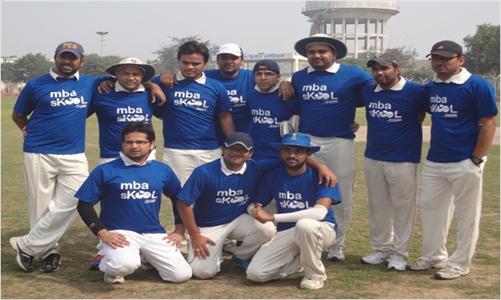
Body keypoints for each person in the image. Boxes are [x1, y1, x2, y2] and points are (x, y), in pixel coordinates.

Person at [174, 132, 336, 279]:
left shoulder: (255, 166)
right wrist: (195, 235)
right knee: (202, 272)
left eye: (242, 150)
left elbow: (294, 159)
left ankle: (241, 256)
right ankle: (213, 257)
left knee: (266, 228)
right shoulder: (205, 172)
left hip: (239, 220)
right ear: (223, 149)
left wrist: (321, 166)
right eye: (232, 148)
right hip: (208, 225)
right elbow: (183, 203)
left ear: (250, 154)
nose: (236, 153)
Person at [408, 40, 498, 279]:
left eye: (445, 58)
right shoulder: (431, 87)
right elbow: (420, 109)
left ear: (460, 59)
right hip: (435, 160)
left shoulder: (477, 85)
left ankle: (460, 263)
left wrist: (477, 158)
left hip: (465, 160)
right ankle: (433, 256)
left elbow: (488, 122)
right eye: (435, 58)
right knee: (430, 210)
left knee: (467, 215)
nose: (439, 63)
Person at [9, 41, 101, 273]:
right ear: (55, 58)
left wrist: (155, 85)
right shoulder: (36, 84)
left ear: (82, 61)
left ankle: (27, 246)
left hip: (74, 154)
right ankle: (50, 252)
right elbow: (18, 114)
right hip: (39, 151)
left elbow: (126, 78)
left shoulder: (90, 84)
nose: (67, 62)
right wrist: (27, 130)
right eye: (63, 57)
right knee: (41, 206)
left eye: (72, 58)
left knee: (77, 199)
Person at [75, 122, 192, 284]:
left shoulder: (162, 170)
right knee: (124, 265)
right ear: (122, 144)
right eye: (129, 142)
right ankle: (105, 261)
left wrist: (179, 229)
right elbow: (84, 204)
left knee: (181, 275)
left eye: (140, 142)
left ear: (152, 144)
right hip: (119, 233)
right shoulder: (105, 170)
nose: (134, 146)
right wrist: (103, 233)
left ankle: (146, 258)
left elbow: (177, 199)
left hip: (153, 232)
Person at [291, 33, 372, 260]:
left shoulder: (354, 74)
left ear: (334, 54)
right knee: (306, 189)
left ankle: (337, 244)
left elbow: (374, 93)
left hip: (339, 140)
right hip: (308, 141)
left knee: (341, 191)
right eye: (311, 52)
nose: (316, 56)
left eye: (322, 51)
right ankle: (305, 239)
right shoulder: (298, 77)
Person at [246, 132, 341, 290]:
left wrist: (272, 217)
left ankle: (315, 274)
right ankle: (301, 262)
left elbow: (319, 213)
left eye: (298, 151)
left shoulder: (323, 176)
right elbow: (255, 204)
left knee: (305, 225)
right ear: (280, 152)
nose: (292, 155)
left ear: (308, 154)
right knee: (255, 274)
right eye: (287, 150)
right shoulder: (273, 176)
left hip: (321, 229)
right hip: (288, 232)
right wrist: (255, 211)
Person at [359, 57, 427, 271]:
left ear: (397, 69)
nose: (380, 73)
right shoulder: (369, 91)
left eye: (385, 68)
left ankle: (399, 254)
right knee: (378, 207)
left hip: (404, 159)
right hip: (373, 156)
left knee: (402, 209)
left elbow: (432, 111)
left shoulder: (416, 91)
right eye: (375, 70)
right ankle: (380, 249)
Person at [160, 43, 295, 134]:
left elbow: (271, 81)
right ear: (217, 60)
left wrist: (285, 83)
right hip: (212, 137)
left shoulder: (251, 77)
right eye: (224, 57)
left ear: (242, 60)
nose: (229, 61)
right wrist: (166, 73)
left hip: (246, 136)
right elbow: (186, 75)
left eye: (233, 58)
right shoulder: (207, 77)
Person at [151, 41, 235, 185]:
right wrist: (151, 85)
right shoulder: (164, 81)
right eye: (185, 62)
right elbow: (137, 83)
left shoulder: (216, 87)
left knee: (210, 195)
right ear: (178, 61)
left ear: (205, 64)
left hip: (210, 151)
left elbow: (224, 116)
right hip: (177, 151)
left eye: (195, 64)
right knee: (180, 196)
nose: (190, 67)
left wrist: (233, 143)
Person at [90, 57, 159, 164]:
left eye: (136, 74)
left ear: (142, 77)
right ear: (117, 74)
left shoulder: (150, 94)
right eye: (126, 74)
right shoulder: (103, 93)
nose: (131, 78)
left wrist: (153, 85)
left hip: (145, 156)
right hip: (111, 156)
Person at [247, 59, 297, 163]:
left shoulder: (287, 94)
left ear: (278, 77)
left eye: (268, 74)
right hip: (256, 155)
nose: (263, 78)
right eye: (259, 74)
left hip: (283, 156)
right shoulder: (251, 96)